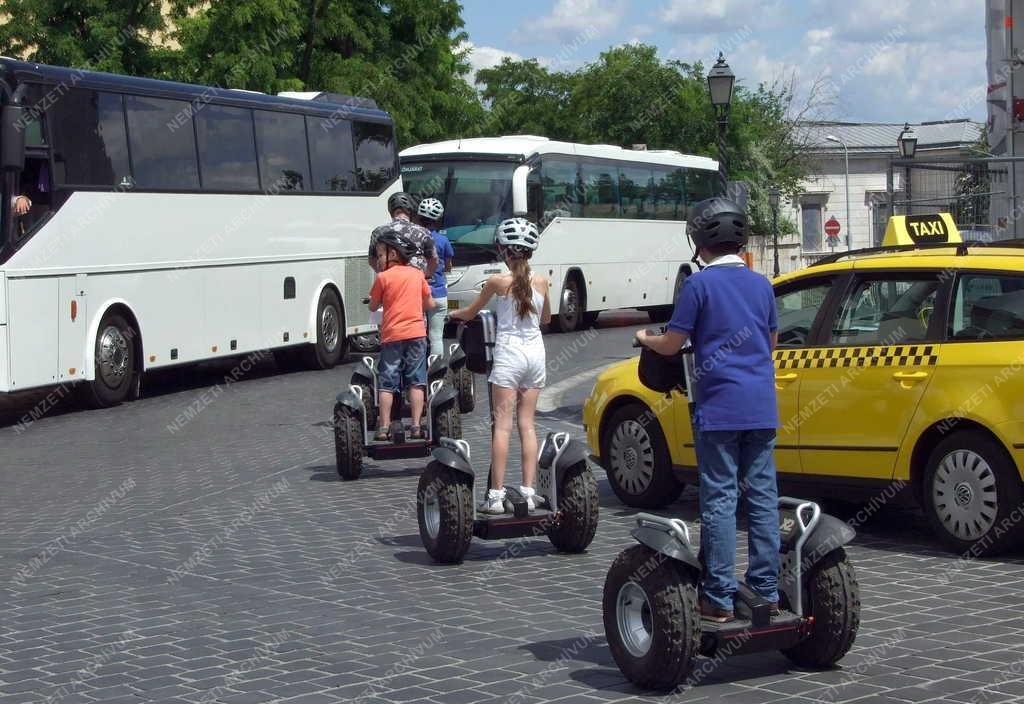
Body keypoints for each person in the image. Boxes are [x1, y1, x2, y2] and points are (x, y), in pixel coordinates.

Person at [635, 197, 780, 623]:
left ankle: (717, 598)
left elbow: (673, 344)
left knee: (719, 499)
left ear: (699, 240)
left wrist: (645, 337)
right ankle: (766, 591)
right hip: (761, 407)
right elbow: (769, 344)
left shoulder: (698, 286)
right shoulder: (761, 284)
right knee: (763, 498)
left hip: (718, 407)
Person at [450, 218, 551, 514]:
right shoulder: (543, 281)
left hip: (509, 355)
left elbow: (470, 312)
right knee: (527, 425)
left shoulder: (497, 282)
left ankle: (495, 497)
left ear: (503, 251)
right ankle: (529, 493)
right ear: (530, 252)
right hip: (535, 355)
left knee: (503, 429)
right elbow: (546, 320)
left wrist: (457, 317)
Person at [368, 228, 436, 441]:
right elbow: (429, 303)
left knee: (388, 382)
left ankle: (384, 428)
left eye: (380, 255)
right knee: (416, 380)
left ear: (393, 254)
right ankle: (416, 426)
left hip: (392, 336)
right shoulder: (417, 275)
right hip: (416, 335)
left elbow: (372, 306)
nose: (378, 260)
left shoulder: (383, 278)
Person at [417, 197, 455, 357]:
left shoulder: (413, 238)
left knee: (418, 336)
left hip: (417, 294)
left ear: (418, 218)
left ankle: (417, 370)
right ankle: (437, 372)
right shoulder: (443, 240)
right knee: (436, 336)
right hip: (438, 293)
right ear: (438, 220)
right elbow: (448, 265)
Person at [369, 191, 438, 278]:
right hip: (415, 283)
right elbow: (434, 260)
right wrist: (426, 275)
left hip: (390, 283)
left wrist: (383, 274)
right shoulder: (423, 231)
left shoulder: (378, 232)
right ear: (409, 210)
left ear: (391, 211)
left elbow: (372, 260)